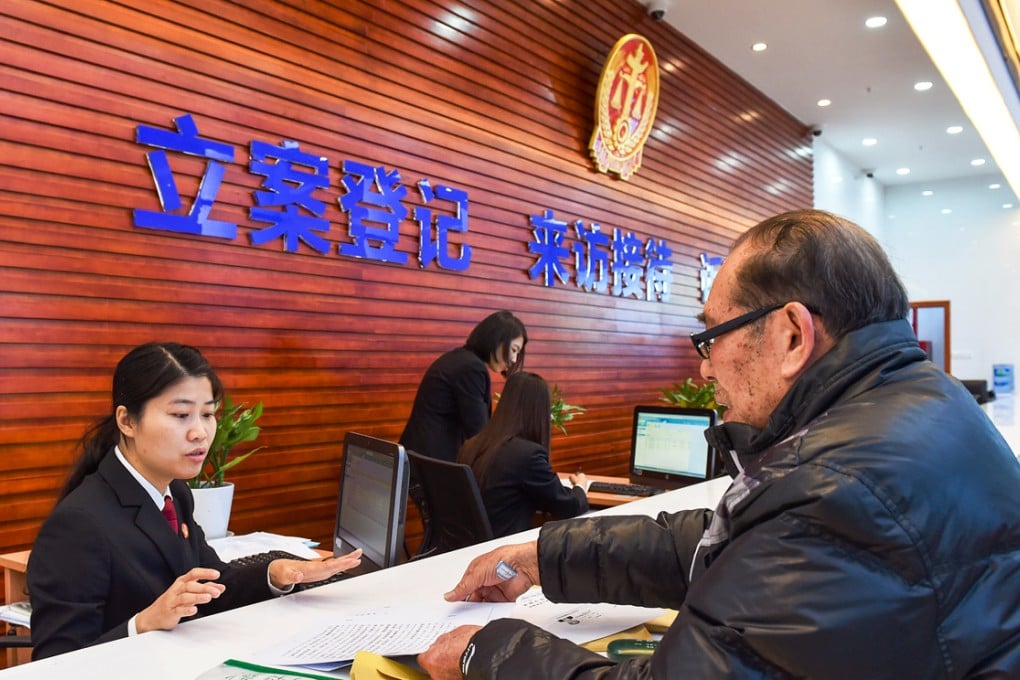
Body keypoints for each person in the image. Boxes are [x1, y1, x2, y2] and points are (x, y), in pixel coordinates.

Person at [417, 209, 1020, 678]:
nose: (704, 370)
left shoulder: (833, 487)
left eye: (711, 336)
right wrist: (545, 556)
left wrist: (489, 651)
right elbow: (735, 546)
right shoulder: (923, 401)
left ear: (791, 335)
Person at [27, 342, 363, 660]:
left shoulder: (176, 493)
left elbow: (212, 585)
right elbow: (53, 663)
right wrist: (141, 624)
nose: (200, 432)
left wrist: (275, 574)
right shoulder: (79, 524)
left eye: (207, 414)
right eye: (180, 415)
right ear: (127, 421)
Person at [459, 372, 589, 537]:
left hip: (467, 549)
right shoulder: (527, 455)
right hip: (504, 552)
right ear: (539, 411)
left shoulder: (472, 444)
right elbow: (567, 507)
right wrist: (580, 486)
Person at [400, 310, 527, 463]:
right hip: (430, 466)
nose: (514, 359)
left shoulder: (459, 359)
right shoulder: (471, 368)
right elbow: (479, 433)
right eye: (514, 350)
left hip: (418, 459)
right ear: (496, 340)